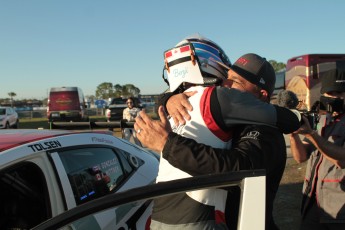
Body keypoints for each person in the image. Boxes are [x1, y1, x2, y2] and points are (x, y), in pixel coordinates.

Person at [135, 52, 300, 229]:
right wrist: (168, 100)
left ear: (262, 95)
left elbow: (237, 169)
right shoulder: (232, 119)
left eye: (236, 82)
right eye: (226, 77)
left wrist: (168, 144)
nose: (224, 84)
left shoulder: (266, 131)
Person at [289, 61, 345, 230]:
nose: (332, 98)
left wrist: (312, 135)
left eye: (338, 93)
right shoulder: (322, 120)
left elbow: (341, 160)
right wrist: (293, 133)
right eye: (328, 93)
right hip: (312, 202)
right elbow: (301, 157)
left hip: (338, 209)